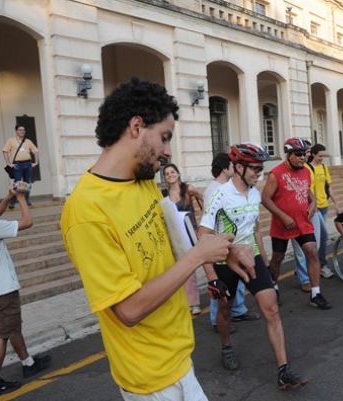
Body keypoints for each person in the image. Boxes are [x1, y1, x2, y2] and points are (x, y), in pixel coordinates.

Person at [60, 78, 243, 401]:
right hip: (150, 381)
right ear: (136, 127)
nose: (167, 151)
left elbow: (174, 247)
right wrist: (199, 256)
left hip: (178, 358)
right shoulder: (86, 211)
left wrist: (218, 251)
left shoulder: (142, 181)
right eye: (164, 137)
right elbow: (128, 310)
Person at [198, 143, 307, 390]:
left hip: (253, 255)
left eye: (261, 168)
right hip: (225, 257)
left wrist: (266, 261)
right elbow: (203, 234)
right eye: (255, 168)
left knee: (271, 309)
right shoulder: (220, 194)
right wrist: (212, 277)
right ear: (238, 167)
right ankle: (226, 346)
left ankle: (283, 369)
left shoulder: (255, 193)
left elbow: (256, 228)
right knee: (225, 310)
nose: (260, 173)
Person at [262, 137, 331, 310]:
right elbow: (265, 199)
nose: (302, 158)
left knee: (312, 253)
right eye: (299, 154)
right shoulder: (276, 174)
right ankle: (274, 287)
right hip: (281, 225)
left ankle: (315, 294)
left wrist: (313, 203)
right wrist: (282, 216)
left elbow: (308, 191)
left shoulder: (306, 171)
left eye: (305, 154)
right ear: (289, 155)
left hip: (303, 223)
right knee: (277, 258)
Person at [0, 181, 51, 396]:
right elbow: (27, 222)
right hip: (2, 290)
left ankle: (28, 363)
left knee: (11, 326)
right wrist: (20, 199)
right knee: (1, 335)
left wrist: (8, 197)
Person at [205, 153, 260, 332]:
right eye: (231, 165)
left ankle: (237, 311)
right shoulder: (216, 190)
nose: (234, 168)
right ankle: (216, 321)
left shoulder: (234, 189)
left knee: (236, 287)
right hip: (224, 253)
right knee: (222, 293)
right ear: (226, 168)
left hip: (241, 249)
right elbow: (209, 227)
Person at [162, 163, 204, 315]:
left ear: (178, 174)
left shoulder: (188, 189)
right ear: (165, 178)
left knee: (197, 265)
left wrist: (205, 220)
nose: (170, 175)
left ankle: (200, 301)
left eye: (172, 172)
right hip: (175, 234)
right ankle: (188, 303)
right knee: (181, 269)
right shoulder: (164, 194)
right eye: (167, 174)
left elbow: (203, 199)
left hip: (190, 231)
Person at [305, 144, 338, 279]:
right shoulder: (307, 168)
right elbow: (308, 189)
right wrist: (313, 205)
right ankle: (321, 265)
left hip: (324, 206)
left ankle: (312, 265)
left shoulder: (324, 167)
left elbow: (328, 187)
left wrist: (336, 203)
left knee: (319, 239)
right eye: (320, 155)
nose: (322, 158)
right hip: (314, 208)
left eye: (324, 155)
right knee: (322, 236)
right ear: (313, 154)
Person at [2, 125, 39, 208]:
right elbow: (5, 151)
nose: (22, 131)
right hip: (17, 164)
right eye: (20, 130)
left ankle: (26, 200)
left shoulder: (28, 141)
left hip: (28, 164)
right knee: (17, 183)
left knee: (27, 182)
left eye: (23, 130)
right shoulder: (11, 141)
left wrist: (36, 162)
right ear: (16, 131)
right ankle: (13, 202)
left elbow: (36, 151)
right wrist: (8, 163)